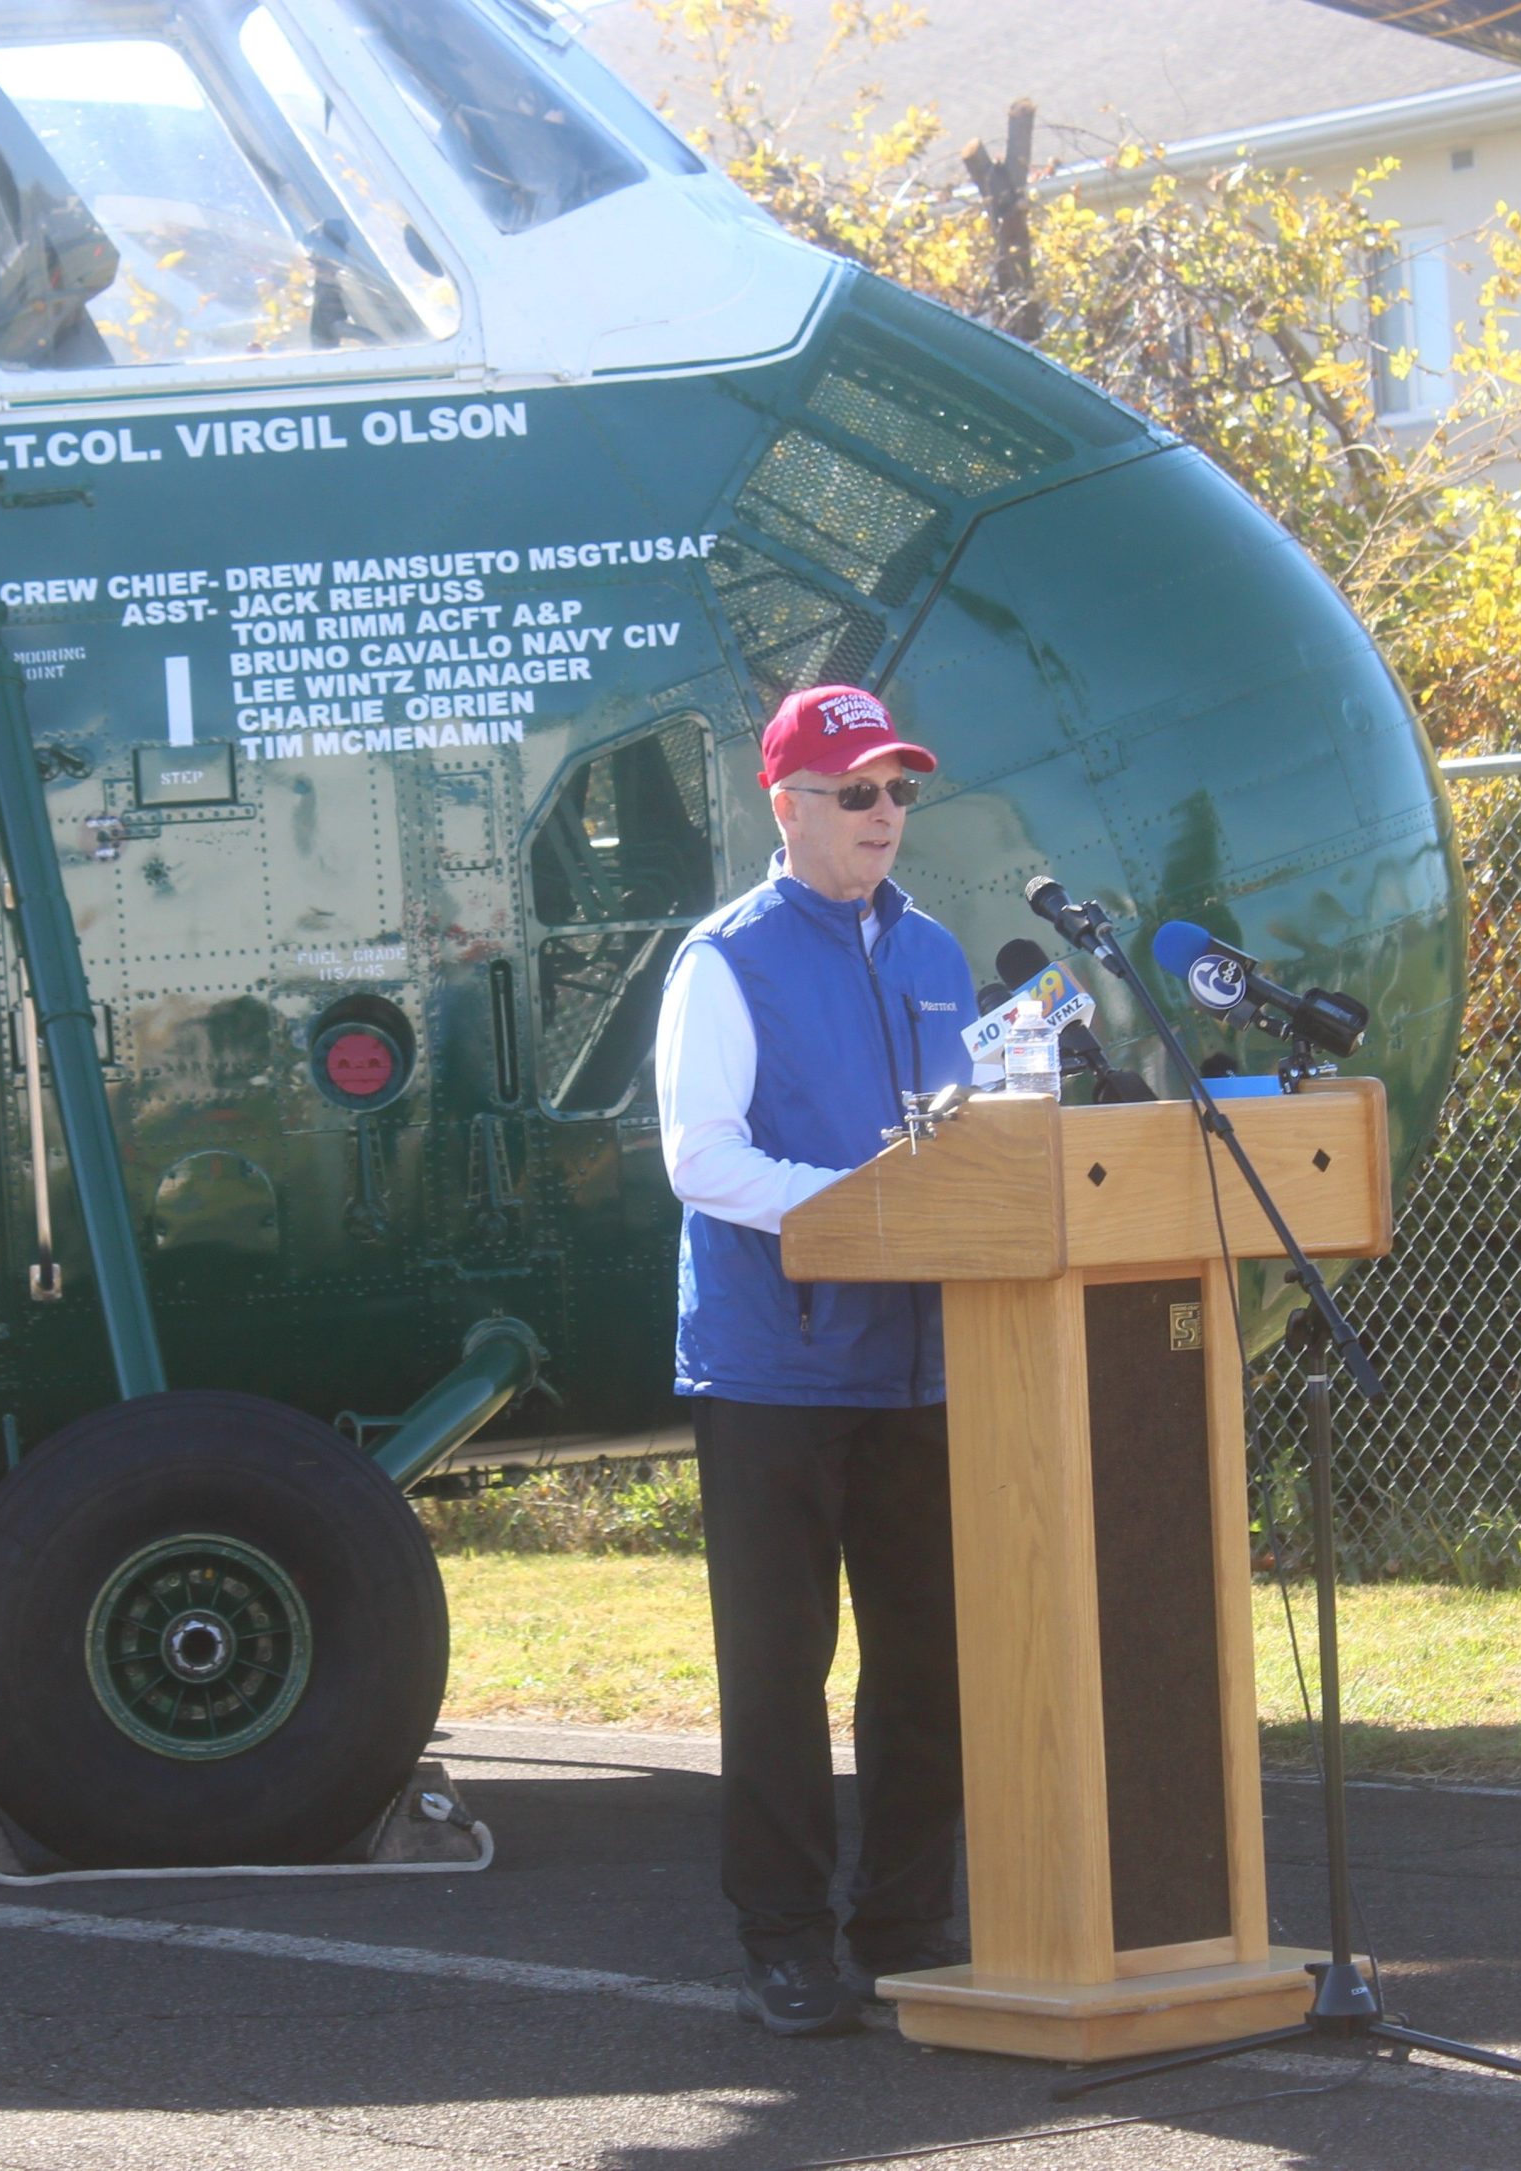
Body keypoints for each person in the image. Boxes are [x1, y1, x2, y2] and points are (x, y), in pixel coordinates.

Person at [654, 683, 978, 2038]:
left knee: (929, 1665)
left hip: (928, 1367)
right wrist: (861, 1204)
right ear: (785, 807)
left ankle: (905, 1926)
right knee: (780, 1670)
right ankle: (783, 1935)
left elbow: (970, 1138)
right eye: (857, 792)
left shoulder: (940, 951)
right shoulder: (723, 959)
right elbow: (700, 1156)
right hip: (776, 1375)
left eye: (900, 788)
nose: (885, 813)